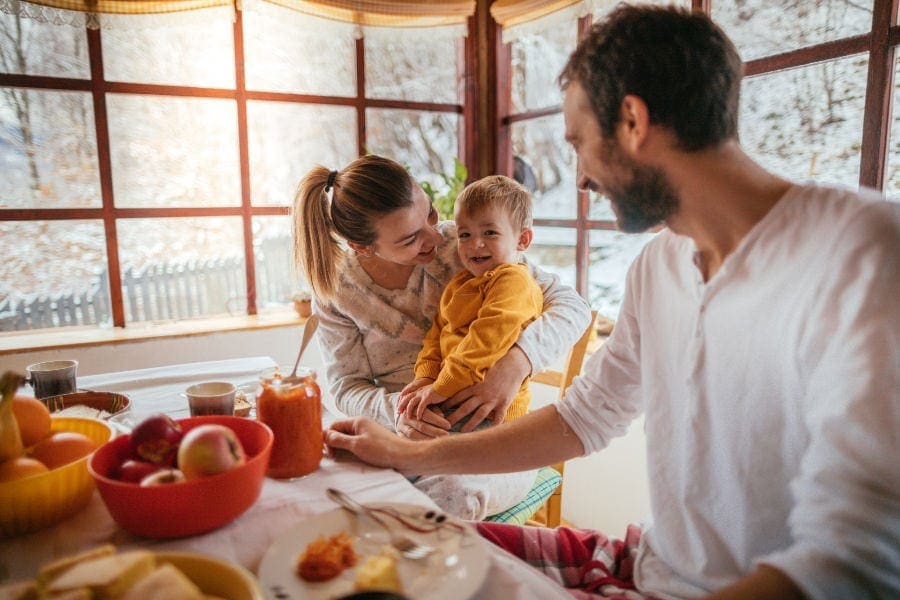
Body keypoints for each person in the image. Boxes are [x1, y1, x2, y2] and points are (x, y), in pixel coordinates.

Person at [324, 5, 900, 600]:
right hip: (642, 562)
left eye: (578, 143)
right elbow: (584, 418)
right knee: (385, 551)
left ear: (633, 121)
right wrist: (410, 450)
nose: (580, 179)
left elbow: (857, 563)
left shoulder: (864, 254)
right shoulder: (659, 266)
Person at [293, 156, 591, 519]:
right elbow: (346, 388)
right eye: (410, 238)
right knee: (331, 491)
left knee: (446, 495)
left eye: (430, 214)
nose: (435, 236)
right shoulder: (337, 290)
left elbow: (572, 306)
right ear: (362, 247)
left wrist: (517, 363)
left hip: (499, 434)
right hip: (406, 438)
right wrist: (402, 414)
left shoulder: (467, 244)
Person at [399, 175, 543, 427]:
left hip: (491, 415)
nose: (476, 244)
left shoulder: (513, 281)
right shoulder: (459, 283)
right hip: (450, 403)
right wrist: (426, 377)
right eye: (464, 234)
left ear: (522, 240)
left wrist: (444, 385)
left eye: (490, 232)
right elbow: (436, 336)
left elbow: (487, 338)